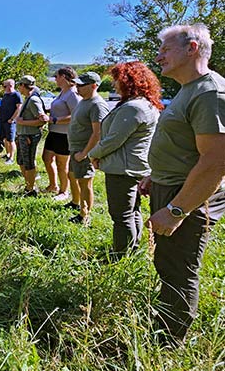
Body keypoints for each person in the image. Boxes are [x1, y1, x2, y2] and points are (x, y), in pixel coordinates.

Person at [139, 23, 225, 343]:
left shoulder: (210, 92)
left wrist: (176, 210)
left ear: (192, 49)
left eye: (166, 49)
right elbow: (184, 144)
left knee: (178, 269)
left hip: (186, 195)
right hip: (170, 186)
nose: (159, 56)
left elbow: (216, 161)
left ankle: (167, 345)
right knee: (167, 261)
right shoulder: (188, 89)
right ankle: (166, 325)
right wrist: (155, 175)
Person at [88, 62, 162, 256]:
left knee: (121, 215)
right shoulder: (144, 104)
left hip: (123, 169)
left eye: (117, 80)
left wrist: (92, 154)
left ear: (129, 81)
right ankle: (131, 249)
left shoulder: (134, 108)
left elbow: (114, 140)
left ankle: (120, 255)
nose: (115, 85)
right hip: (132, 166)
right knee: (132, 212)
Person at [67, 72, 110, 224]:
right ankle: (79, 208)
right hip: (76, 149)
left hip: (83, 152)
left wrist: (85, 153)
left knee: (85, 183)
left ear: (93, 86)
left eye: (81, 85)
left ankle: (85, 216)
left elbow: (98, 133)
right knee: (76, 179)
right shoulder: (83, 100)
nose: (77, 87)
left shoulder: (97, 104)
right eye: (77, 84)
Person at [42, 67, 81, 202]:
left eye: (57, 77)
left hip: (64, 134)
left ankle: (64, 191)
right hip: (54, 132)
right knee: (46, 158)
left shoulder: (73, 94)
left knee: (61, 164)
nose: (55, 79)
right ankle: (53, 185)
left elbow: (76, 115)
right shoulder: (62, 92)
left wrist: (55, 119)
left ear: (64, 77)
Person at [15, 75, 48, 196]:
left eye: (20, 85)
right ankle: (28, 186)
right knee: (21, 161)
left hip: (29, 135)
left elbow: (42, 120)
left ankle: (31, 189)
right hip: (23, 135)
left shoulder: (34, 100)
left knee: (28, 162)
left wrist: (23, 122)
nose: (19, 88)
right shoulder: (28, 98)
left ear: (23, 85)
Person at [0, 79, 22, 164]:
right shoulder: (5, 95)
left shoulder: (16, 95)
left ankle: (12, 158)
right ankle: (8, 154)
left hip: (11, 121)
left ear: (11, 85)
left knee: (11, 140)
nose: (4, 88)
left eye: (5, 86)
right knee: (5, 139)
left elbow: (19, 107)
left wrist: (12, 119)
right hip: (4, 120)